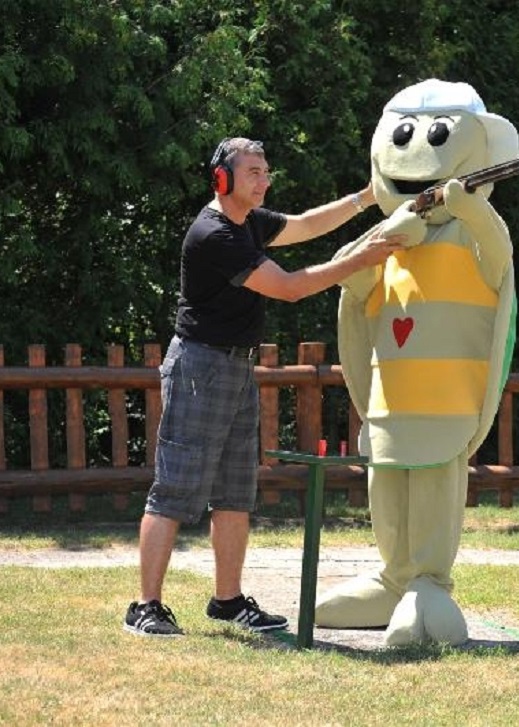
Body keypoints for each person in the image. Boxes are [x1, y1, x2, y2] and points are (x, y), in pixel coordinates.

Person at [123, 137, 403, 637]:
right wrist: (362, 259)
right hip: (200, 368)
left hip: (235, 368)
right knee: (176, 488)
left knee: (235, 492)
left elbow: (305, 225)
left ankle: (227, 602)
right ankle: (145, 606)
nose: (264, 180)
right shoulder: (215, 235)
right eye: (253, 172)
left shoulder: (249, 222)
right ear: (222, 179)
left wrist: (365, 198)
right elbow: (291, 287)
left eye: (266, 171)